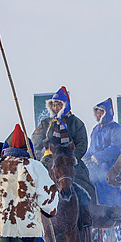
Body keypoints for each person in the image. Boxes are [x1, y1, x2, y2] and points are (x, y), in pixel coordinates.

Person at [31, 86, 94, 227]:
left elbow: (82, 143)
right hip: (49, 158)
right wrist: (42, 143)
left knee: (84, 184)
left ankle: (85, 215)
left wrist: (74, 158)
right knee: (33, 182)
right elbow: (35, 138)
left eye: (58, 104)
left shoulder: (76, 123)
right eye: (53, 105)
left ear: (65, 105)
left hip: (70, 159)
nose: (55, 107)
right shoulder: (46, 123)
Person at [83, 98, 121, 207]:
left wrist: (97, 157)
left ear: (107, 113)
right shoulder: (95, 129)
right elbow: (91, 148)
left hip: (111, 164)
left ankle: (111, 206)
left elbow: (116, 148)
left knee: (103, 176)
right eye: (97, 113)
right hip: (94, 163)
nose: (98, 115)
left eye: (100, 113)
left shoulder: (116, 129)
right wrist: (84, 157)